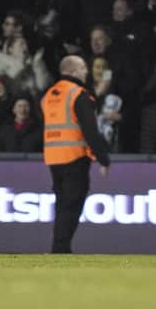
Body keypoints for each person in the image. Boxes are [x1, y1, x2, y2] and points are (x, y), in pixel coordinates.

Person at [41, 55, 110, 253]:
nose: (86, 71)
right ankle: (60, 249)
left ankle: (60, 248)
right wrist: (103, 158)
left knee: (62, 206)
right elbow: (90, 131)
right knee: (71, 207)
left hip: (53, 158)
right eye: (82, 68)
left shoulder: (48, 96)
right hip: (75, 157)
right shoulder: (79, 94)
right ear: (72, 71)